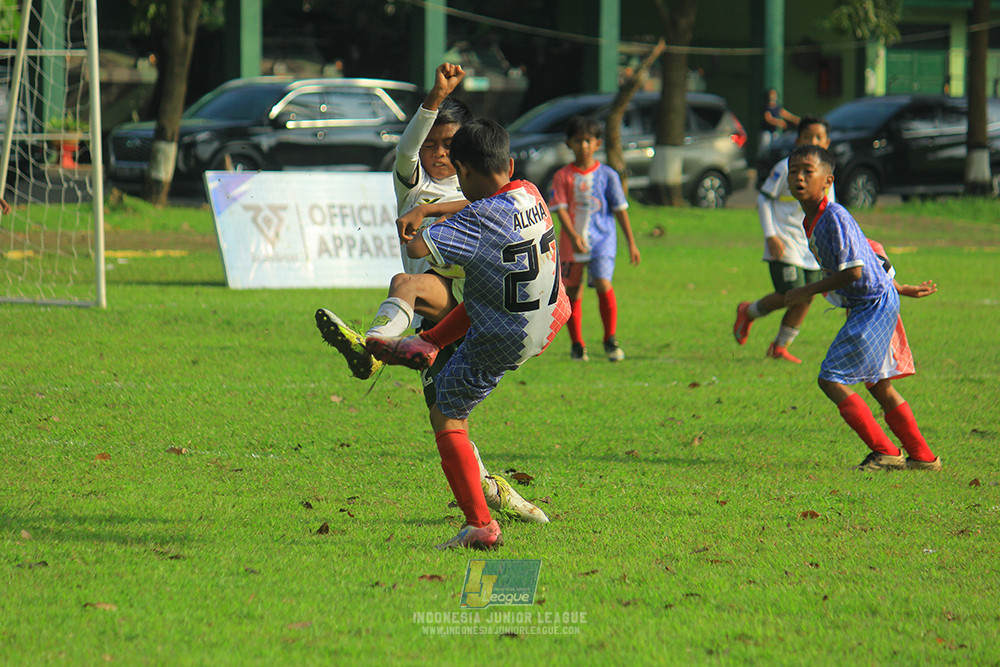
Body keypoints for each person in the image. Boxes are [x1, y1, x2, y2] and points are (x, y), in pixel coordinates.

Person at [315, 64, 548, 525]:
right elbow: (406, 149)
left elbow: (482, 203)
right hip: (439, 319)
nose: (439, 153)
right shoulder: (413, 182)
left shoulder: (478, 190)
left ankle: (374, 348)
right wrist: (434, 99)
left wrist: (437, 211)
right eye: (431, 144)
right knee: (446, 417)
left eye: (449, 145)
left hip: (474, 310)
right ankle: (496, 495)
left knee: (407, 288)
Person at [366, 119, 571, 549]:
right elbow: (481, 210)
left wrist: (417, 221)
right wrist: (436, 208)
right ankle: (430, 341)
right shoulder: (530, 192)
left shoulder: (477, 220)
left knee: (446, 413)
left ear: (464, 171)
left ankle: (481, 524)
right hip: (552, 315)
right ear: (510, 163)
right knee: (482, 286)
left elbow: (417, 249)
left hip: (507, 338)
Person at [784, 144, 941, 472]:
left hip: (873, 305)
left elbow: (855, 270)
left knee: (830, 379)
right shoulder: (812, 219)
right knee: (878, 384)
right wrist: (899, 286)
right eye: (793, 170)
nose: (798, 177)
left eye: (807, 171)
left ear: (827, 180)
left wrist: (807, 289)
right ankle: (923, 458)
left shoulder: (834, 216)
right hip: (873, 301)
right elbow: (871, 251)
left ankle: (887, 451)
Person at [733, 116, 834, 363]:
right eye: (808, 137)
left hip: (811, 247)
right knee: (792, 292)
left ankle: (779, 346)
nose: (813, 142)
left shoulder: (827, 174)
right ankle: (748, 311)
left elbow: (832, 208)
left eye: (818, 137)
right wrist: (771, 235)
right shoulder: (784, 168)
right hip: (785, 242)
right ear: (798, 140)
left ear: (827, 142)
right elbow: (763, 199)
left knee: (807, 296)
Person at [549, 115, 640, 362]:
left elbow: (621, 209)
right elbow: (560, 208)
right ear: (569, 144)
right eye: (578, 141)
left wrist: (631, 242)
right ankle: (577, 344)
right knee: (573, 292)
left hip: (603, 241)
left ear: (598, 143)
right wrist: (573, 235)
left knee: (603, 283)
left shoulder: (608, 176)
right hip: (571, 243)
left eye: (588, 140)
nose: (584, 146)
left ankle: (610, 339)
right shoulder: (562, 176)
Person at [759, 88, 799, 157]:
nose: (772, 97)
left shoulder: (778, 107)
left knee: (775, 148)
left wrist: (796, 119)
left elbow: (787, 115)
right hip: (766, 132)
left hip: (774, 132)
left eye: (774, 95)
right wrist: (779, 122)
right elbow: (768, 119)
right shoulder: (766, 107)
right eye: (770, 95)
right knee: (764, 149)